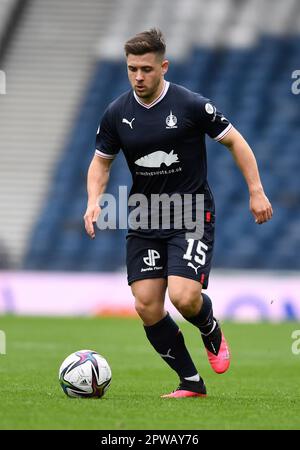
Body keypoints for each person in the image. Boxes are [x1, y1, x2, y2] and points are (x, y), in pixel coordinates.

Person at [84, 29, 273, 398]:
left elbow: (236, 141)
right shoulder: (117, 113)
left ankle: (209, 327)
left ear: (163, 67)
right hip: (145, 215)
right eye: (132, 69)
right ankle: (190, 381)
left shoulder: (190, 105)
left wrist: (256, 191)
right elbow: (100, 163)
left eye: (146, 69)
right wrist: (94, 201)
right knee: (147, 304)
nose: (138, 77)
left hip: (189, 210)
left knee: (184, 298)